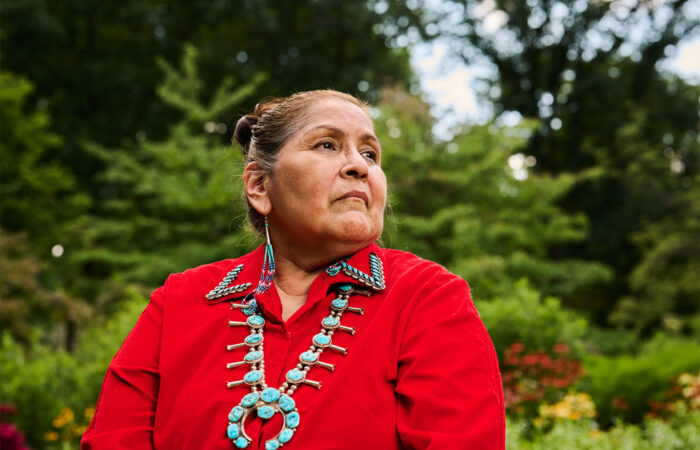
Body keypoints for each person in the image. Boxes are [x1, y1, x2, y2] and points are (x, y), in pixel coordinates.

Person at [81, 89, 505, 450]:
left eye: (371, 153)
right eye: (326, 145)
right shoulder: (180, 300)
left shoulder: (426, 296)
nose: (359, 165)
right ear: (260, 187)